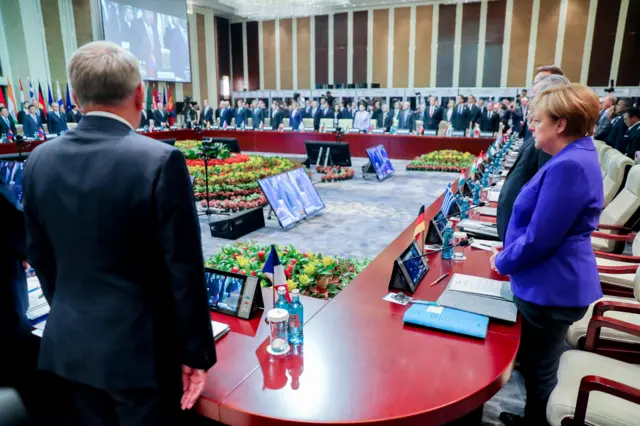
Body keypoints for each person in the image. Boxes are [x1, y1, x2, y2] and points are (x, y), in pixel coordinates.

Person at [22, 41, 216, 426]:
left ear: (76, 98)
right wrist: (196, 355)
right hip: (140, 358)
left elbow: (40, 256)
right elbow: (184, 269)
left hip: (71, 347)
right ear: (140, 93)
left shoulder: (39, 159)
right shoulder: (160, 160)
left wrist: (78, 315)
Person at [493, 83, 602, 426]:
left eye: (538, 120)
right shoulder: (573, 156)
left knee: (540, 371)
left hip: (551, 287)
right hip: (549, 280)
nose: (532, 126)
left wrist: (502, 260)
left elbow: (541, 238)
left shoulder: (568, 165)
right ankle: (532, 418)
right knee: (537, 366)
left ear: (560, 124)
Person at [496, 72, 568, 241]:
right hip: (516, 232)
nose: (529, 102)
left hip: (524, 236)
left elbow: (545, 204)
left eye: (534, 96)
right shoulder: (543, 132)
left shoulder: (550, 141)